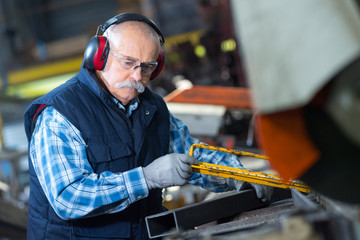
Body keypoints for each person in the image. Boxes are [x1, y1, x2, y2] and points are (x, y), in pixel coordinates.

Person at [24, 13, 272, 240]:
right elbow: (69, 198)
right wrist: (147, 178)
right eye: (128, 62)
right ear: (99, 55)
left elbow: (192, 155)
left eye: (147, 67)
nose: (136, 76)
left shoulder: (151, 107)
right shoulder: (60, 112)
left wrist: (237, 176)